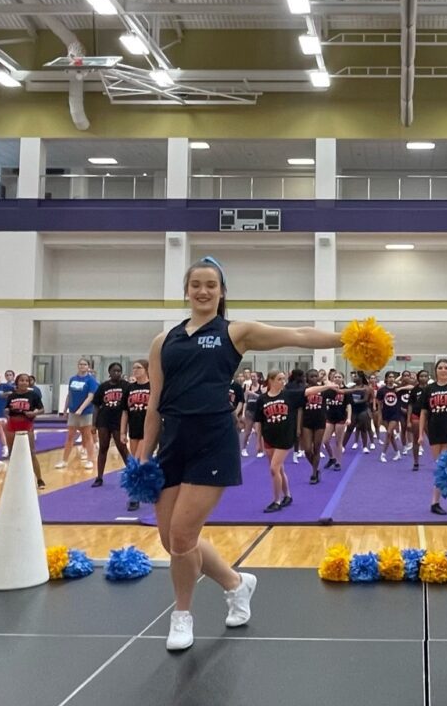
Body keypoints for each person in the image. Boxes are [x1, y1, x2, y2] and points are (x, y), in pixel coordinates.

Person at [139, 256, 346, 651]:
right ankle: (237, 583)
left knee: (183, 536)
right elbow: (153, 404)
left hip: (212, 440)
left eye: (210, 285)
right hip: (172, 442)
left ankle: (181, 614)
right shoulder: (163, 341)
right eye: (196, 284)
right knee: (171, 540)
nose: (202, 291)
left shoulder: (236, 332)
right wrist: (143, 458)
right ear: (186, 290)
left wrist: (348, 339)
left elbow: (297, 334)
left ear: (221, 292)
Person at [420, 358, 447, 515]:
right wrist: (420, 434)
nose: (443, 370)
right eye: (440, 367)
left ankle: (437, 501)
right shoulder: (429, 389)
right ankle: (444, 500)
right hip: (434, 432)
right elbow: (424, 412)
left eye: (446, 367)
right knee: (441, 467)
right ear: (436, 370)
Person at [255, 371, 299, 512]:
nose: (283, 382)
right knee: (279, 469)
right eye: (279, 379)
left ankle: (277, 501)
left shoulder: (288, 395)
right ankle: (287, 495)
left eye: (284, 379)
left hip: (284, 438)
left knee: (274, 468)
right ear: (271, 381)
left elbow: (308, 391)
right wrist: (258, 441)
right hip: (269, 438)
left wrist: (329, 387)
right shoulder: (262, 399)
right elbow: (259, 421)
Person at [3, 374, 45, 488]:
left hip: (26, 424)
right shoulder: (12, 395)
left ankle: (39, 479)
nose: (24, 382)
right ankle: (13, 478)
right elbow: (7, 408)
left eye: (26, 381)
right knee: (12, 452)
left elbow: (42, 409)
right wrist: (6, 411)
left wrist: (34, 413)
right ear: (17, 382)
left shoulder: (33, 395)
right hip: (12, 424)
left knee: (31, 452)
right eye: (22, 380)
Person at [91, 362, 130, 487]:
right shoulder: (103, 386)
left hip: (119, 421)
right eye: (114, 371)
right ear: (109, 372)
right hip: (104, 420)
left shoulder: (126, 385)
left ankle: (133, 474)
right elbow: (96, 406)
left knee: (122, 449)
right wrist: (93, 424)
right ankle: (99, 477)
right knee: (103, 448)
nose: (117, 373)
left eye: (119, 371)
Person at [56, 358, 98, 470]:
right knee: (70, 437)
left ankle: (90, 460)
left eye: (84, 364)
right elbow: (69, 395)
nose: (82, 366)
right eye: (80, 364)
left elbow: (91, 396)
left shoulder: (91, 380)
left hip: (86, 412)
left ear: (88, 366)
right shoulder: (73, 379)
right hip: (73, 412)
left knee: (87, 436)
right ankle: (64, 460)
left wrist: (81, 409)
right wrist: (65, 409)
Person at [120, 360, 152, 511]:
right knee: (136, 461)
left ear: (146, 370)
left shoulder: (153, 386)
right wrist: (122, 431)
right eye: (133, 368)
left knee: (137, 461)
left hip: (148, 429)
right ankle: (143, 488)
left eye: (139, 368)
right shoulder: (129, 388)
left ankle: (135, 496)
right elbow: (125, 412)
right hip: (134, 429)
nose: (135, 370)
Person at [321, 370, 349, 471]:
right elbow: (323, 402)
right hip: (330, 417)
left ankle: (338, 462)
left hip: (340, 417)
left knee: (338, 441)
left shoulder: (345, 390)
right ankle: (332, 457)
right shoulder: (329, 390)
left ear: (343, 379)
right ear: (332, 379)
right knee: (325, 440)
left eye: (339, 377)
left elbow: (349, 405)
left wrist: (349, 417)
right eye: (335, 377)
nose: (337, 378)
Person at [377, 371, 404, 462]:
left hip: (395, 414)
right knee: (391, 435)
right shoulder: (382, 390)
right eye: (389, 377)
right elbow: (379, 404)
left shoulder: (398, 389)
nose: (391, 379)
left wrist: (397, 384)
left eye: (393, 377)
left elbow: (411, 386)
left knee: (388, 433)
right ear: (386, 379)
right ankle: (397, 452)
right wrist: (380, 416)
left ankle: (383, 454)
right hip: (385, 413)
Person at [241, 371, 264, 458]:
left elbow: (262, 398)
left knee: (258, 432)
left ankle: (260, 450)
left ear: (258, 377)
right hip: (249, 411)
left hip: (258, 411)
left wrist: (253, 394)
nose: (252, 378)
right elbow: (245, 402)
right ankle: (243, 448)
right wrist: (243, 413)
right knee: (247, 431)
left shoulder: (261, 387)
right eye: (251, 376)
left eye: (254, 376)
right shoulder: (248, 387)